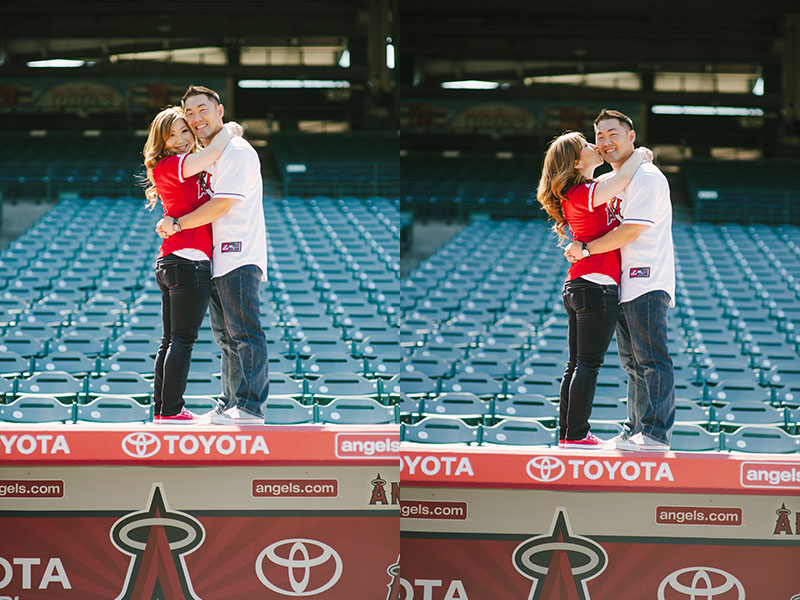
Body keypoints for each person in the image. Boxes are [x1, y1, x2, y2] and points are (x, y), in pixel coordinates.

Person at [157, 85, 269, 425]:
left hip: (238, 254)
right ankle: (230, 403)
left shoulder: (235, 150)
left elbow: (221, 205)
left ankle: (249, 406)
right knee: (226, 338)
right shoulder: (210, 155)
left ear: (220, 110)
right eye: (189, 113)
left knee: (244, 333)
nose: (195, 118)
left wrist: (176, 224)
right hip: (217, 259)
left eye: (202, 109)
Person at [565, 109, 676, 452]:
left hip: (646, 278)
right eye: (599, 136)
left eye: (613, 133)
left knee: (651, 358)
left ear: (631, 136)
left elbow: (631, 230)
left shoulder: (646, 177)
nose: (605, 142)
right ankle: (635, 429)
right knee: (632, 363)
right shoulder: (617, 182)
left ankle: (656, 432)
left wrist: (585, 250)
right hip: (624, 283)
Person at [538, 131, 651, 449]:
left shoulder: (581, 191)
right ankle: (575, 435)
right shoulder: (582, 191)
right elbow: (621, 178)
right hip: (595, 284)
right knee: (586, 364)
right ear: (576, 161)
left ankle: (567, 434)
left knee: (576, 364)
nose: (594, 146)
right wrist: (639, 154)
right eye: (586, 145)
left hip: (581, 285)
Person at [142, 106, 241, 423]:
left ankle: (161, 411)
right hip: (188, 260)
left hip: (175, 260)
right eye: (172, 135)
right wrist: (231, 128)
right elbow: (214, 149)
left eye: (185, 131)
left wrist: (170, 222)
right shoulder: (175, 165)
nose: (181, 139)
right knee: (181, 341)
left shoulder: (185, 168)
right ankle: (171, 411)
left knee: (170, 340)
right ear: (162, 142)